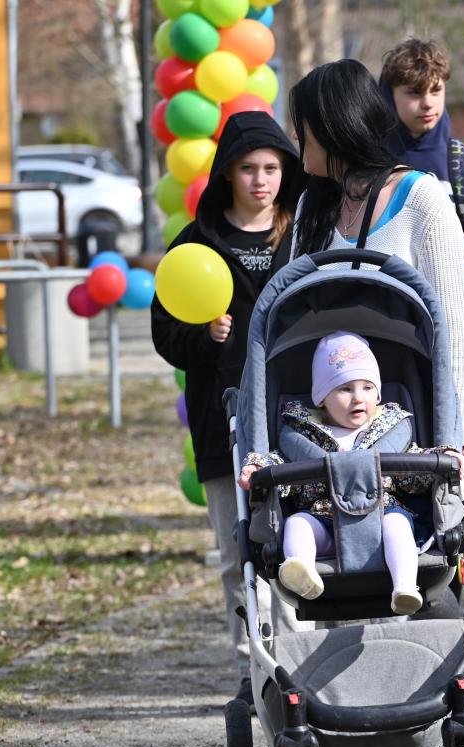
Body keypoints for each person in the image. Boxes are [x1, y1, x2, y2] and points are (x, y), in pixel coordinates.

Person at [150, 110, 302, 707]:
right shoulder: (195, 243)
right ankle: (251, 665)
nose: (261, 180)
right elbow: (166, 334)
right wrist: (205, 339)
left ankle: (298, 656)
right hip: (223, 421)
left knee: (297, 541)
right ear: (227, 175)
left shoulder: (304, 234)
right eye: (248, 169)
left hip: (297, 420)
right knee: (236, 548)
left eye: (271, 168)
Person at [288, 59, 464, 453]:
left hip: (412, 426)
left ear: (331, 127)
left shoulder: (420, 198)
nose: (295, 135)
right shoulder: (311, 205)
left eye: (301, 124)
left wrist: (453, 441)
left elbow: (459, 334)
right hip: (327, 434)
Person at [238, 332, 464, 615]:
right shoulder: (303, 436)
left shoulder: (391, 429)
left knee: (398, 525)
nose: (358, 398)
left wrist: (444, 457)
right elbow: (279, 467)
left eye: (368, 387)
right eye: (345, 389)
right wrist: (258, 468)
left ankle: (405, 586)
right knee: (297, 524)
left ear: (379, 394)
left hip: (382, 515)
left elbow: (415, 466)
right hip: (324, 519)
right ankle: (302, 570)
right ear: (321, 398)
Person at [378, 39, 464, 468]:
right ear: (390, 95)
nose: (427, 103)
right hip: (385, 352)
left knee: (452, 479)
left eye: (436, 90)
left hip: (458, 358)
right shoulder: (369, 167)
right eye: (414, 93)